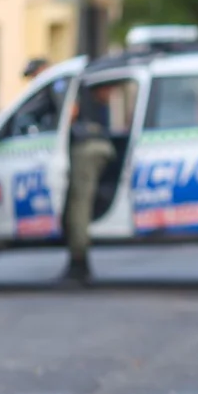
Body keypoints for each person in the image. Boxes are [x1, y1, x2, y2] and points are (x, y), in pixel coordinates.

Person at [61, 81, 117, 286]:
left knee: (79, 204)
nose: (109, 94)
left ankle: (79, 261)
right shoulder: (75, 87)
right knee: (78, 203)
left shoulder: (70, 87)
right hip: (94, 146)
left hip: (87, 148)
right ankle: (78, 260)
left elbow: (69, 115)